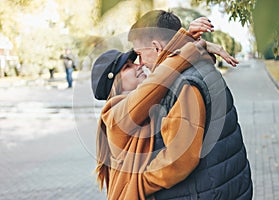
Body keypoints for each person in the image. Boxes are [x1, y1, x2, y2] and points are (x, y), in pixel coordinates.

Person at [93, 18, 240, 199]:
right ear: (115, 82)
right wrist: (193, 47)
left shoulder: (148, 102)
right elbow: (160, 77)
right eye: (128, 66)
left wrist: (188, 42)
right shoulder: (114, 116)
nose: (138, 64)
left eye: (136, 58)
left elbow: (162, 69)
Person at [127, 10, 253, 199]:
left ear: (156, 47)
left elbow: (179, 159)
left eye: (139, 54)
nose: (141, 62)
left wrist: (139, 182)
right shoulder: (197, 65)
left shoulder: (182, 83)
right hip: (222, 186)